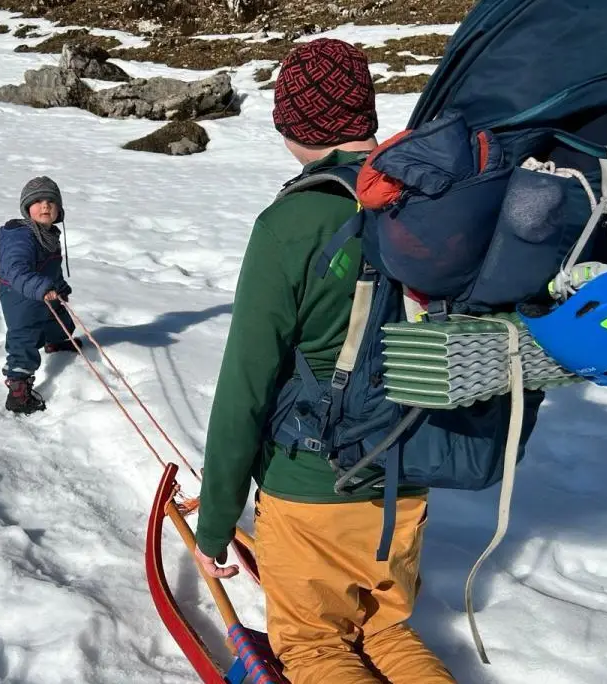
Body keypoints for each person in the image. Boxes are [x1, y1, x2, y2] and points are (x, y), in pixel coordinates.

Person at [192, 39, 456, 684]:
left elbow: (246, 384)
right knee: (387, 630)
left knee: (315, 649)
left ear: (292, 125)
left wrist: (216, 524)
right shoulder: (433, 201)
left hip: (311, 483)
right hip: (406, 476)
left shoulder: (291, 223)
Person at [0, 176, 82, 414]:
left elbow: (51, 268)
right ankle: (18, 390)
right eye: (38, 201)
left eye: (51, 201)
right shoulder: (20, 236)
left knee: (60, 320)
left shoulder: (49, 234)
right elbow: (16, 269)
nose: (45, 206)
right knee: (24, 338)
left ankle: (55, 342)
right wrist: (41, 287)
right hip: (19, 296)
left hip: (43, 291)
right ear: (27, 208)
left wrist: (59, 286)